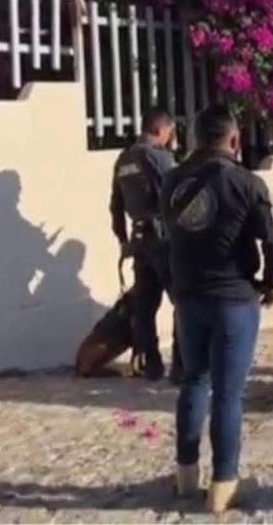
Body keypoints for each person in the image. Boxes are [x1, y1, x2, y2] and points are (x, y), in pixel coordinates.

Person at [162, 105, 273, 515]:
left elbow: (168, 239)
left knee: (193, 382)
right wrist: (271, 283)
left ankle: (185, 474)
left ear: (196, 138)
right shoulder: (246, 183)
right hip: (233, 298)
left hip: (189, 298)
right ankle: (223, 481)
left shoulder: (173, 181)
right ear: (234, 139)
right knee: (228, 393)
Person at [110, 108, 179, 381]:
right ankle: (182, 364)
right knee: (182, 301)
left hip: (139, 240)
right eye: (169, 133)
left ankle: (151, 364)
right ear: (160, 130)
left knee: (144, 306)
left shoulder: (123, 159)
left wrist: (123, 240)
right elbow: (177, 195)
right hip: (164, 238)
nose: (169, 138)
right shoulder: (158, 157)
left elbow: (115, 206)